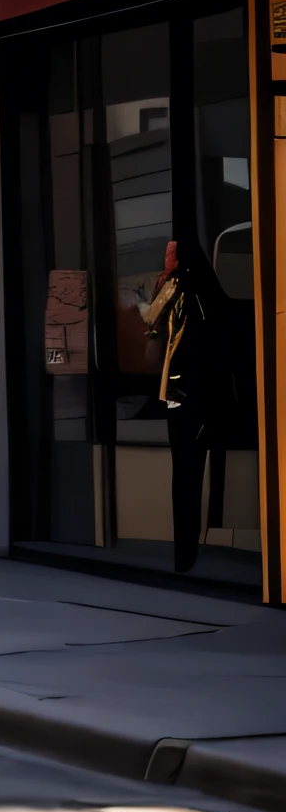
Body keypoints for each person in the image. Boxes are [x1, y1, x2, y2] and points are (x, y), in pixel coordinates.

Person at [143, 240, 241, 576]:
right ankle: (185, 552)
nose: (166, 259)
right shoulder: (178, 289)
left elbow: (156, 321)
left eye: (171, 255)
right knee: (185, 474)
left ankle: (188, 552)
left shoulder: (190, 294)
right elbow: (153, 324)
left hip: (193, 395)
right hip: (181, 392)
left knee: (188, 472)